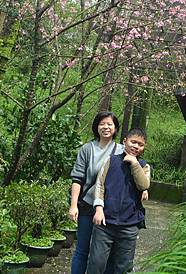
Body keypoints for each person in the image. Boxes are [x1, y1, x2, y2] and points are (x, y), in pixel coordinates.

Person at [70, 112, 128, 274]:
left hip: (110, 209)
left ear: (116, 128)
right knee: (82, 250)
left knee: (107, 253)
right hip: (88, 206)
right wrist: (74, 205)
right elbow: (77, 178)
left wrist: (144, 188)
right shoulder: (87, 149)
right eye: (102, 123)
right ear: (96, 127)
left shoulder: (121, 150)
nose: (106, 127)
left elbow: (137, 169)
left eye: (110, 124)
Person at [87, 128, 151, 274]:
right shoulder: (111, 160)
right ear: (125, 142)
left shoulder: (144, 166)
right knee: (96, 264)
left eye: (140, 144)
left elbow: (144, 185)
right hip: (105, 222)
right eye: (133, 142)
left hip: (129, 225)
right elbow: (100, 184)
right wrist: (98, 209)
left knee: (123, 267)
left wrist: (134, 164)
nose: (136, 146)